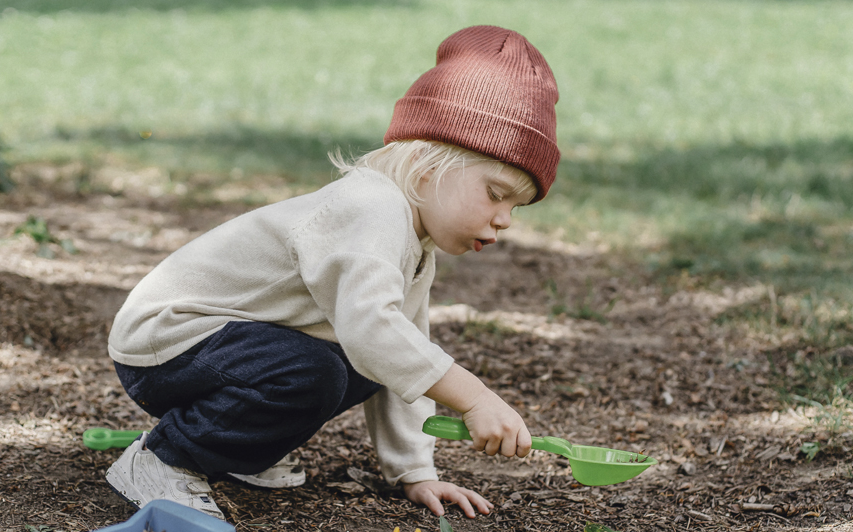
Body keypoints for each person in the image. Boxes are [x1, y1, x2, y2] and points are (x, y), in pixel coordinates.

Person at [104, 24, 561, 520]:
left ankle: (236, 451)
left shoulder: (414, 242)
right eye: (496, 194)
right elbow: (373, 333)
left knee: (370, 363)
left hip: (225, 345)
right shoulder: (372, 208)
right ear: (429, 165)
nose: (504, 219)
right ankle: (164, 459)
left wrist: (415, 472)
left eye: (518, 207)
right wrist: (474, 398)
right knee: (320, 370)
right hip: (166, 340)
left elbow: (402, 355)